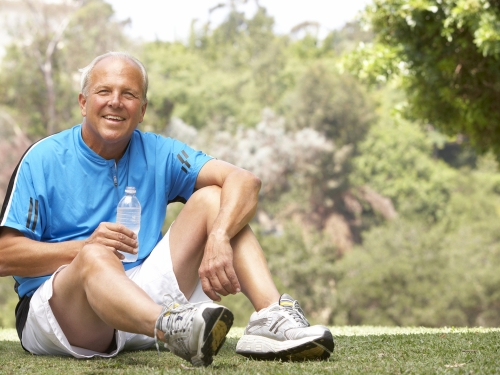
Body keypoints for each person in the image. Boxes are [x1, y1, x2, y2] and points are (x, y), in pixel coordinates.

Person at [0, 52, 334, 366]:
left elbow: (245, 181)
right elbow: (4, 255)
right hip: (64, 314)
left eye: (128, 94)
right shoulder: (43, 158)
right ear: (83, 103)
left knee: (215, 198)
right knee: (95, 257)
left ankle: (271, 317)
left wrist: (218, 236)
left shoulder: (158, 151)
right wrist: (83, 248)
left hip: (139, 295)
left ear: (142, 110)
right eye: (104, 91)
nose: (116, 101)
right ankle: (171, 328)